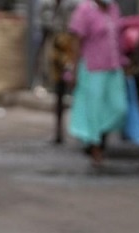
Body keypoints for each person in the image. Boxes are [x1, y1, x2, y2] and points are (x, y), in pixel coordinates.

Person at [66, 0, 128, 166]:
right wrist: (74, 69)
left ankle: (92, 136)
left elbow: (118, 37)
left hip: (114, 66)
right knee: (94, 110)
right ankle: (94, 147)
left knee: (119, 108)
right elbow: (76, 41)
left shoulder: (114, 8)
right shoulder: (84, 10)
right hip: (93, 68)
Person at [34, 0, 81, 143]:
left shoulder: (74, 4)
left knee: (77, 91)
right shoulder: (45, 4)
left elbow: (78, 32)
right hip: (56, 50)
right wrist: (39, 57)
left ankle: (81, 132)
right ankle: (58, 132)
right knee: (59, 91)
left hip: (72, 48)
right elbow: (44, 32)